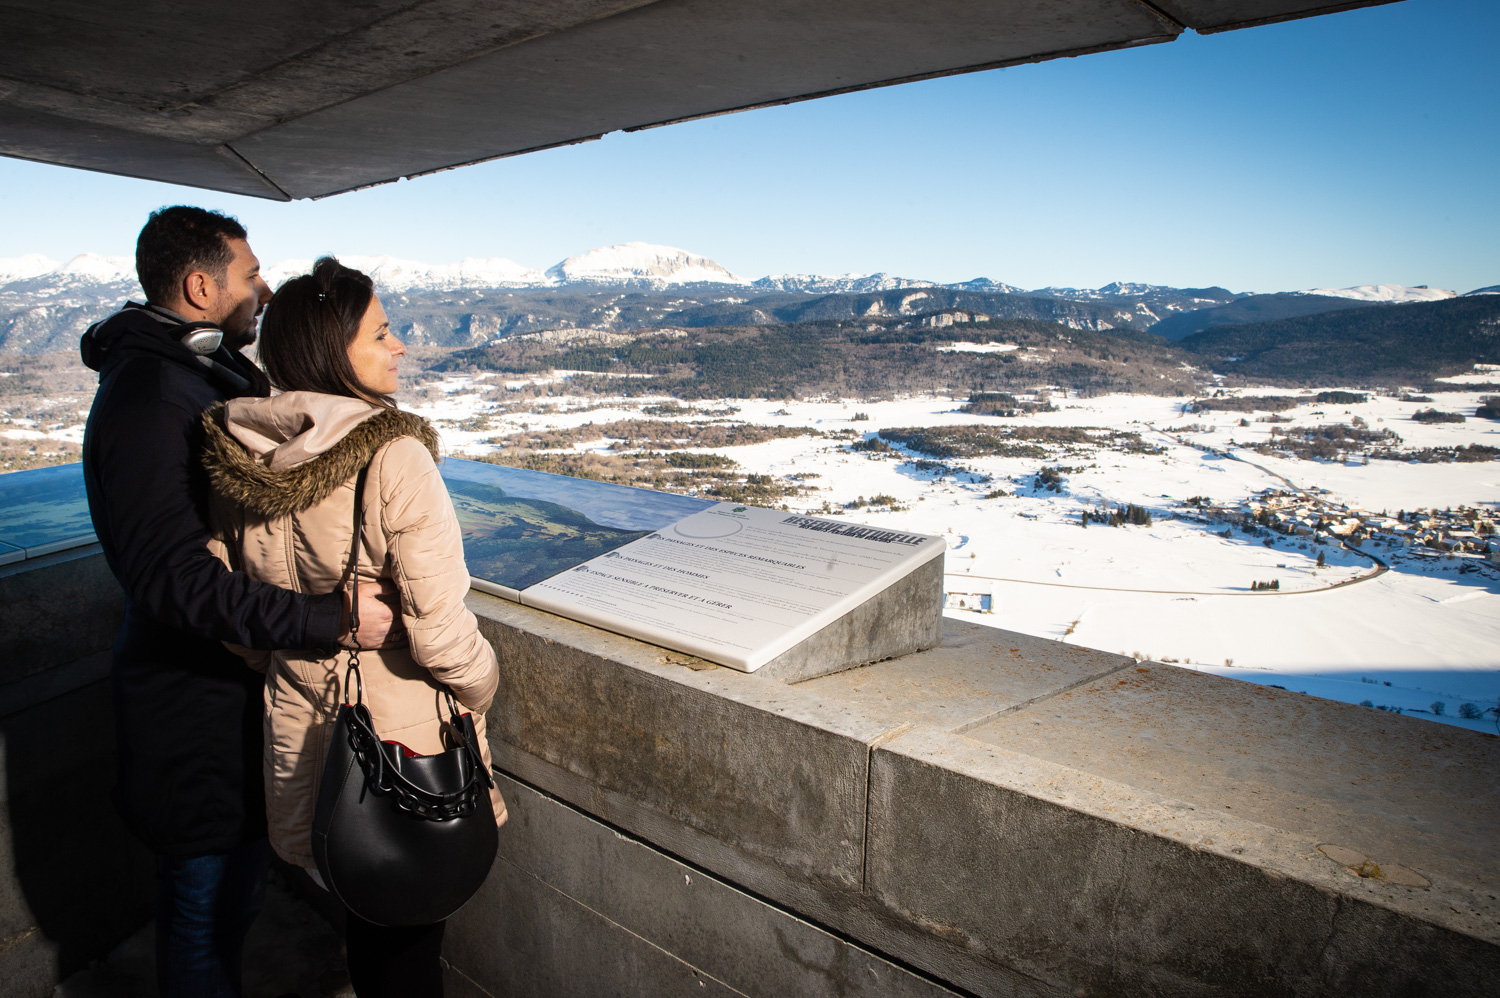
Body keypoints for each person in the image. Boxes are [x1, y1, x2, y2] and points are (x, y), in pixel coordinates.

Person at [80, 207, 399, 998]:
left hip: (230, 701)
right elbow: (171, 581)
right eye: (249, 275)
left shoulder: (199, 373)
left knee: (235, 895)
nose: (263, 288)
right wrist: (328, 621)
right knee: (203, 909)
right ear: (200, 286)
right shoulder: (155, 396)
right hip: (191, 711)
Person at [200, 256, 505, 998]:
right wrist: (484, 686)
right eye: (383, 332)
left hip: (298, 728)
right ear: (336, 352)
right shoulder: (394, 456)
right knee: (407, 938)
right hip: (398, 738)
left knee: (360, 922)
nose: (400, 346)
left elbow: (234, 619)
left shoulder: (241, 455)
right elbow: (439, 633)